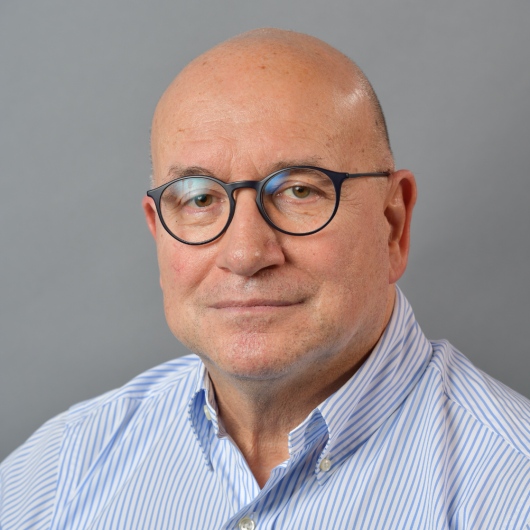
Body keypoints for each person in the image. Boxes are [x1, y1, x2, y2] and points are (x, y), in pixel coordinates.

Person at [1, 28, 529, 529]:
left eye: (299, 191)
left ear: (393, 224)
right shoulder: (58, 471)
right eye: (200, 198)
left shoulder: (513, 487)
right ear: (158, 230)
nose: (246, 254)